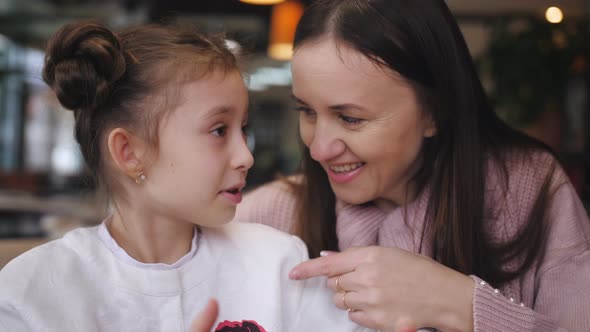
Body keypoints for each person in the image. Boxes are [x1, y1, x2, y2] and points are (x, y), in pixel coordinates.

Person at [234, 0, 590, 331]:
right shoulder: (270, 216)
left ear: (434, 111)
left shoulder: (530, 188)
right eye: (307, 112)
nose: (319, 150)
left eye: (351, 118)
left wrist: (460, 303)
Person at [0, 21, 371, 332]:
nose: (246, 156)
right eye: (218, 131)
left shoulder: (277, 262)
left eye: (243, 129)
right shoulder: (33, 292)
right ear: (129, 152)